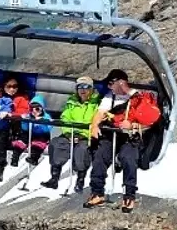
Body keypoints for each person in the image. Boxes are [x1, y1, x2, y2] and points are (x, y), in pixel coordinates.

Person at [84, 69, 161, 212]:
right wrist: (94, 126)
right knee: (100, 155)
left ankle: (129, 195)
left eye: (110, 83)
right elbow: (100, 113)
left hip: (131, 136)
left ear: (120, 83)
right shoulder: (110, 97)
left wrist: (131, 126)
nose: (109, 87)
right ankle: (97, 192)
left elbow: (150, 120)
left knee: (128, 157)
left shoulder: (139, 97)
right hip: (114, 134)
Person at [41, 76, 100, 192]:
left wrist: (84, 133)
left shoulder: (96, 103)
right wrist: (69, 133)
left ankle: (80, 180)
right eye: (80, 87)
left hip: (85, 135)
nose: (83, 90)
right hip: (70, 133)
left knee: (82, 150)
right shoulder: (71, 101)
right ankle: (54, 177)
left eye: (86, 87)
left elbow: (96, 120)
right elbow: (65, 117)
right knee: (56, 144)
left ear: (91, 89)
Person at [10, 94, 51, 166]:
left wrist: (41, 122)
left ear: (42, 108)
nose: (34, 111)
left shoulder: (46, 117)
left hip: (42, 135)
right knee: (21, 142)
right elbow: (24, 128)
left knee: (38, 144)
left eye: (37, 109)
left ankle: (34, 159)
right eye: (32, 109)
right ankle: (15, 158)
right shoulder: (28, 115)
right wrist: (24, 121)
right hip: (29, 133)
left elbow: (47, 130)